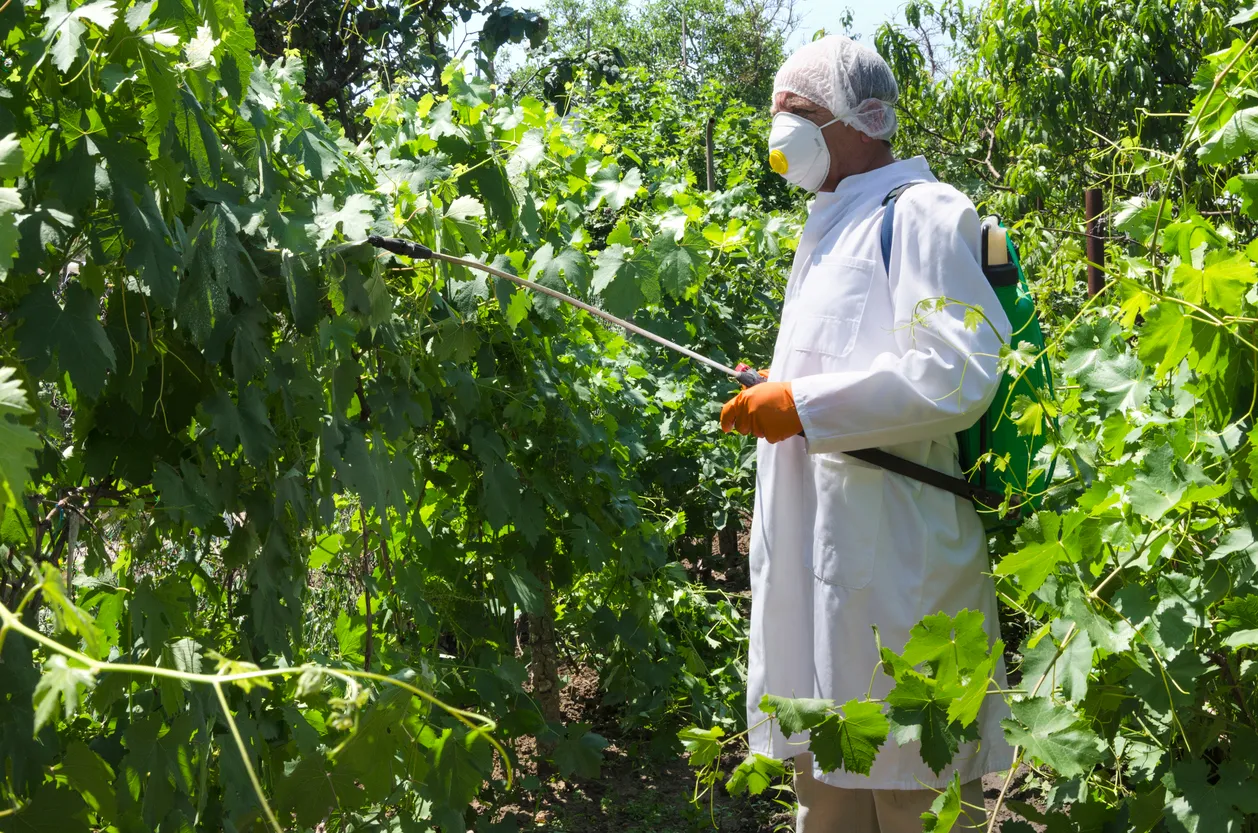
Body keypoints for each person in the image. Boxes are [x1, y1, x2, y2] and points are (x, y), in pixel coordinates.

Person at [719, 35, 1015, 833]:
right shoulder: (829, 223)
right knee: (827, 796)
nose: (778, 129)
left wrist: (805, 405)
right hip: (821, 572)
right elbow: (841, 364)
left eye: (795, 112)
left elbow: (953, 372)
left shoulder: (921, 212)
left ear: (861, 117)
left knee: (913, 797)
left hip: (899, 571)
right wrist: (781, 393)